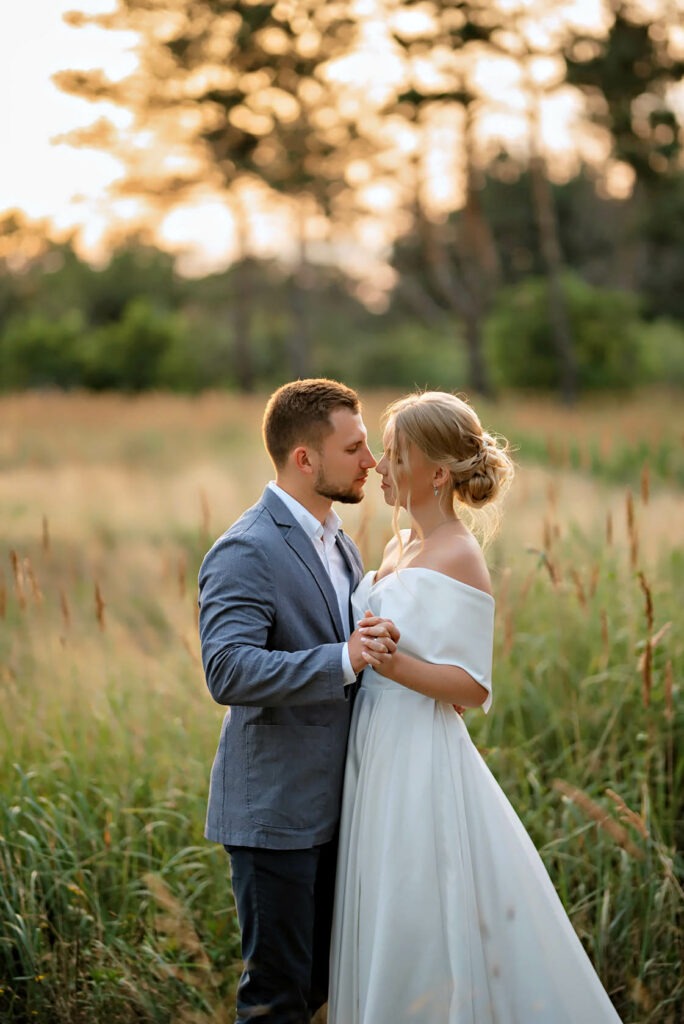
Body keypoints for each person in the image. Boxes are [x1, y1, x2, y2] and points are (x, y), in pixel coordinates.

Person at [328, 390, 623, 1024]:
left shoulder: (459, 554)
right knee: (380, 898)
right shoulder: (394, 546)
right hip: (373, 744)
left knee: (419, 904)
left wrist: (391, 662)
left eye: (395, 453)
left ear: (436, 472)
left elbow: (471, 687)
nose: (380, 465)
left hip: (418, 752)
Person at [198, 378, 399, 1024]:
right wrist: (345, 659)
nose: (371, 460)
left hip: (336, 806)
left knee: (317, 985)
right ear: (305, 460)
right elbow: (227, 670)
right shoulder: (245, 549)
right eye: (355, 448)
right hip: (275, 813)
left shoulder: (337, 538)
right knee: (276, 1001)